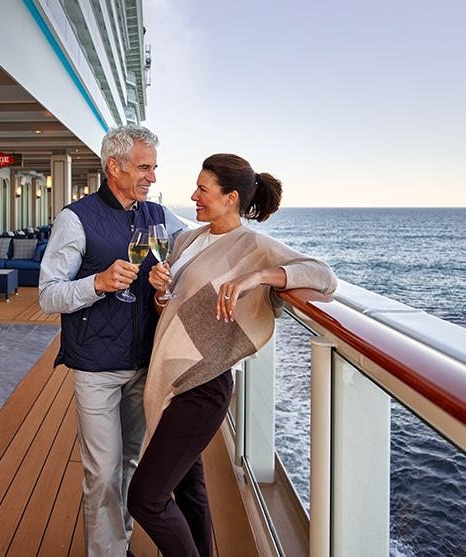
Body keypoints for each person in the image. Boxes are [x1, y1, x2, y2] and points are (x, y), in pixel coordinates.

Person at [127, 154, 337, 557]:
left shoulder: (254, 246)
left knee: (146, 498)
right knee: (188, 487)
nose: (194, 197)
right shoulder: (187, 239)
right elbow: (169, 309)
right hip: (169, 375)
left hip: (204, 385)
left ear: (231, 197)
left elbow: (324, 276)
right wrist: (160, 291)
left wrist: (258, 276)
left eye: (203, 190)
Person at [39, 124, 186, 556]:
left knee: (131, 464)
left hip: (144, 363)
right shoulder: (75, 218)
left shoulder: (158, 216)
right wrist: (97, 283)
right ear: (114, 166)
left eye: (154, 168)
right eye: (144, 168)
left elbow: (198, 246)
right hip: (96, 367)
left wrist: (169, 279)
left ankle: (118, 545)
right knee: (102, 473)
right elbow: (49, 296)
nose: (152, 177)